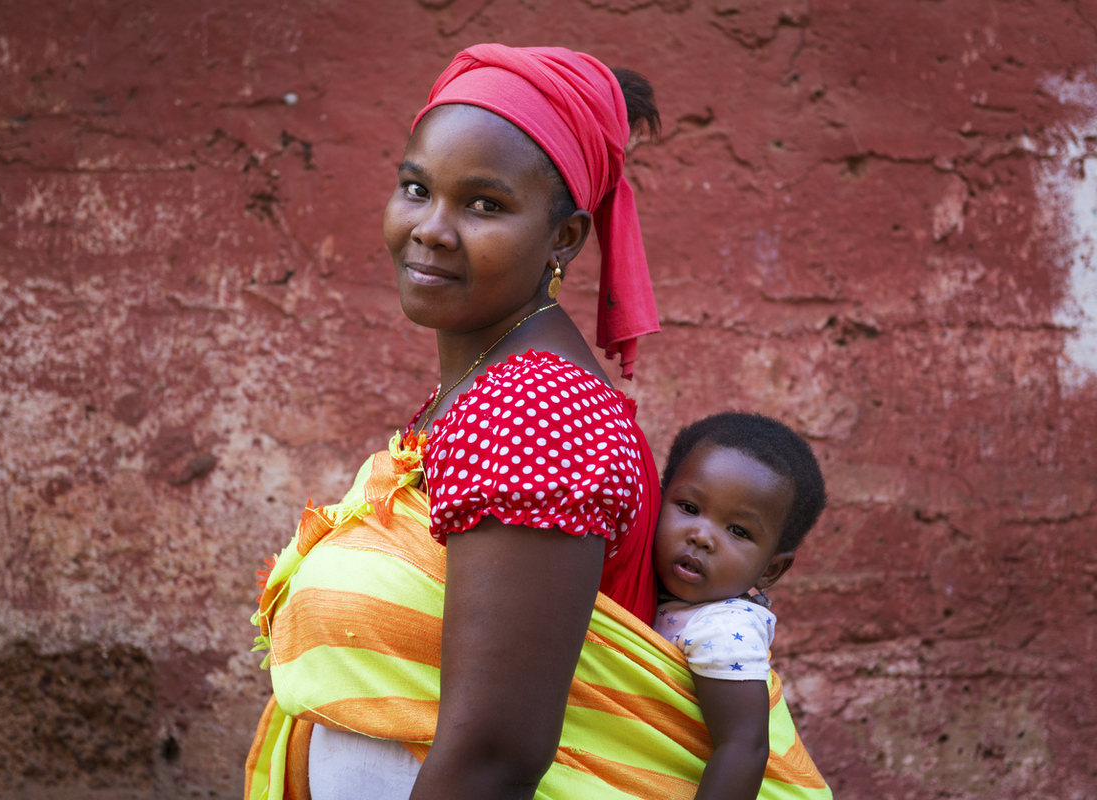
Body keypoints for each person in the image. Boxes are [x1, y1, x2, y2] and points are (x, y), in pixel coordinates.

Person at [246, 44, 832, 800]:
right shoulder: (491, 388)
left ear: (563, 238)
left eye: (485, 204)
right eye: (416, 188)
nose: (431, 228)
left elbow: (496, 754)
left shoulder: (537, 409)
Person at [652, 412, 828, 800]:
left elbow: (743, 748)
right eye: (688, 507)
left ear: (771, 570)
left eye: (738, 531)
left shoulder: (722, 627)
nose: (700, 536)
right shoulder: (653, 590)